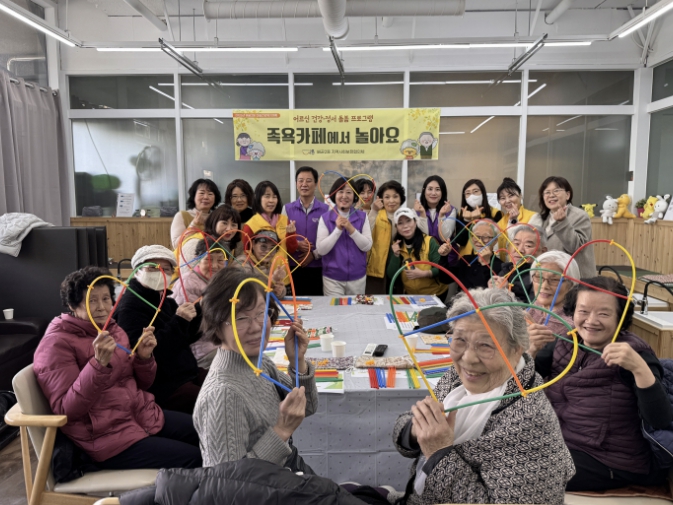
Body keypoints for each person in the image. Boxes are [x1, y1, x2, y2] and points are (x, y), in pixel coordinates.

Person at [392, 288, 574, 505]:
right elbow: (407, 424)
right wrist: (416, 429)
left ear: (517, 350)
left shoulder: (530, 421)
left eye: (486, 346)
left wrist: (439, 453)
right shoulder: (459, 377)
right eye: (459, 340)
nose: (468, 358)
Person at [33, 267, 201, 470]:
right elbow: (67, 410)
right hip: (105, 438)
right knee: (196, 458)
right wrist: (98, 366)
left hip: (141, 415)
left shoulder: (113, 329)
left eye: (106, 298)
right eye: (92, 300)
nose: (101, 307)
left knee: (208, 433)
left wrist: (144, 358)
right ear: (72, 305)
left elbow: (142, 384)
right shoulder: (56, 344)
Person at [535, 276, 673, 491]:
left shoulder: (635, 352)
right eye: (583, 311)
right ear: (573, 311)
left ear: (620, 316)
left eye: (604, 313)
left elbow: (659, 419)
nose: (591, 320)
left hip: (611, 458)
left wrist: (639, 368)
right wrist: (527, 353)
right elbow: (518, 391)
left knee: (524, 473)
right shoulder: (564, 342)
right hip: (560, 441)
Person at [193, 268, 318, 468]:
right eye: (241, 318)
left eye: (261, 313)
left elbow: (307, 406)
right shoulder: (222, 395)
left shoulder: (258, 362)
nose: (256, 327)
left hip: (288, 469)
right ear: (217, 326)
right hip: (269, 484)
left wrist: (297, 361)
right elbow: (227, 481)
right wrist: (281, 431)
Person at [115, 245, 206, 414]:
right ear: (137, 272)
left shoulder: (165, 300)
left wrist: (199, 311)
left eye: (166, 269)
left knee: (227, 383)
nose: (161, 273)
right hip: (162, 385)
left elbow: (185, 338)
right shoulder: (129, 307)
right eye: (153, 268)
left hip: (185, 374)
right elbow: (146, 354)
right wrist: (180, 321)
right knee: (214, 400)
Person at [172, 237, 227, 369]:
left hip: (221, 342)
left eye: (220, 260)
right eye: (208, 260)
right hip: (201, 349)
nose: (214, 266)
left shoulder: (222, 281)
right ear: (197, 259)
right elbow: (187, 330)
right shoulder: (187, 284)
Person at [530, 176, 596, 278]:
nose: (551, 195)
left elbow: (576, 247)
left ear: (567, 195)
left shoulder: (580, 216)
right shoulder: (543, 218)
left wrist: (562, 222)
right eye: (547, 192)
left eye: (556, 191)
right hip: (550, 276)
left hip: (575, 278)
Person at [316, 177, 373, 296]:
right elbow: (321, 250)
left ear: (354, 195)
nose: (344, 196)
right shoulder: (325, 218)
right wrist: (337, 230)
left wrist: (351, 229)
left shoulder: (362, 217)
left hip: (358, 278)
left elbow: (367, 246)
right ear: (334, 195)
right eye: (340, 191)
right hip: (332, 279)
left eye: (349, 192)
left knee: (357, 308)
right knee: (335, 308)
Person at [282, 166, 329, 296]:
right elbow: (281, 238)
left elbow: (329, 240)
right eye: (300, 180)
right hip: (293, 266)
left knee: (318, 304)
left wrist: (314, 255)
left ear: (315, 184)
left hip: (318, 267)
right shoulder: (287, 209)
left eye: (308, 180)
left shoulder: (326, 210)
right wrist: (296, 244)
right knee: (295, 304)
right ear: (296, 183)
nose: (304, 184)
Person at [525, 250, 581, 358]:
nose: (544, 286)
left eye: (555, 280)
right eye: (539, 277)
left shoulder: (571, 327)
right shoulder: (532, 308)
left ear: (571, 285)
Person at [386, 208, 447, 296]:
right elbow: (391, 275)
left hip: (435, 294)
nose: (405, 226)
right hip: (411, 295)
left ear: (415, 222)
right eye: (400, 223)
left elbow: (441, 269)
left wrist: (424, 274)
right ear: (396, 227)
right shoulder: (396, 245)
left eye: (408, 221)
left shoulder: (429, 242)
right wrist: (396, 255)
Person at [242, 181, 298, 276]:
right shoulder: (250, 225)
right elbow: (247, 255)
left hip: (283, 277)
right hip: (261, 278)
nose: (271, 200)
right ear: (258, 198)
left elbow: (292, 250)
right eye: (267, 196)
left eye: (274, 197)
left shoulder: (284, 220)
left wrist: (291, 234)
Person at [488, 224, 547, 303]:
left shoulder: (542, 277)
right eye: (516, 244)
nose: (519, 250)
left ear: (543, 251)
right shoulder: (506, 270)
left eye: (528, 246)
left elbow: (533, 309)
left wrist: (506, 293)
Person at [437, 220, 502, 290]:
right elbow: (444, 279)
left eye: (486, 237)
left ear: (495, 241)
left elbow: (485, 292)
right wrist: (444, 256)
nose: (479, 240)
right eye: (476, 236)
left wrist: (485, 264)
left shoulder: (501, 267)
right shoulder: (465, 260)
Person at [367, 180, 405, 294]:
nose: (391, 201)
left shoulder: (407, 216)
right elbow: (366, 233)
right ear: (381, 199)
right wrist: (373, 211)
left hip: (401, 265)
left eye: (395, 196)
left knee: (397, 299)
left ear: (401, 198)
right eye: (387, 197)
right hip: (377, 268)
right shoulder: (375, 215)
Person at [453, 179, 503, 257]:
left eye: (475, 191)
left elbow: (497, 239)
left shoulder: (496, 213)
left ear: (483, 193)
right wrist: (467, 220)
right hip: (465, 259)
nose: (472, 196)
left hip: (487, 257)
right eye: (468, 193)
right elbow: (460, 241)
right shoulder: (461, 215)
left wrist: (478, 219)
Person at [235, 230, 288, 299]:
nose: (268, 252)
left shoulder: (268, 265)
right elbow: (247, 288)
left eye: (272, 248)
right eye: (263, 247)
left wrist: (279, 290)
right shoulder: (242, 262)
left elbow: (270, 294)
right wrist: (272, 280)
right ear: (253, 245)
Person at [171, 178, 221, 249]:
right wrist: (193, 226)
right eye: (202, 193)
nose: (206, 197)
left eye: (210, 194)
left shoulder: (218, 218)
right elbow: (176, 245)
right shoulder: (182, 215)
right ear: (193, 196)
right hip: (187, 255)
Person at [414, 175, 457, 244]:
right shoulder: (416, 211)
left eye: (437, 189)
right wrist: (422, 214)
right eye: (430, 189)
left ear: (442, 192)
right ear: (424, 191)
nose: (433, 193)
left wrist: (441, 215)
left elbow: (444, 238)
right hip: (425, 250)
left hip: (447, 250)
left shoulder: (451, 210)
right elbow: (422, 238)